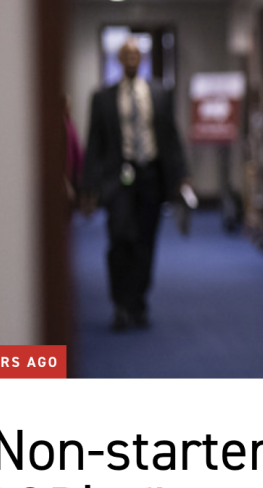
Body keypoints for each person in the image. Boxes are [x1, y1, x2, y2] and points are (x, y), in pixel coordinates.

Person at [81, 39, 190, 332]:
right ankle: (119, 303)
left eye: (135, 54)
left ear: (140, 59)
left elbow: (171, 137)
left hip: (151, 176)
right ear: (119, 59)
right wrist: (88, 186)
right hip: (117, 178)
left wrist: (181, 175)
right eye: (126, 54)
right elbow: (94, 143)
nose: (131, 58)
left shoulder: (159, 93)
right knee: (119, 239)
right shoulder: (103, 97)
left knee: (145, 241)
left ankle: (138, 301)